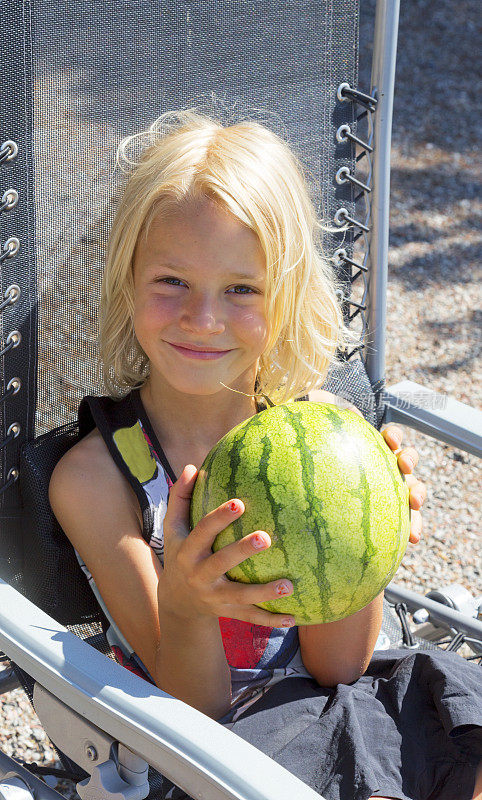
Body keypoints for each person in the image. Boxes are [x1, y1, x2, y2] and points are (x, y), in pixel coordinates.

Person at [48, 109, 482, 800]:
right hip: (213, 752)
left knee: (456, 701)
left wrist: (368, 546)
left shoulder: (322, 431)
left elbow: (340, 667)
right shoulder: (97, 480)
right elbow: (198, 715)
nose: (203, 317)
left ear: (284, 296)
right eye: (172, 282)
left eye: (241, 288)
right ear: (128, 282)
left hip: (329, 702)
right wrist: (188, 604)